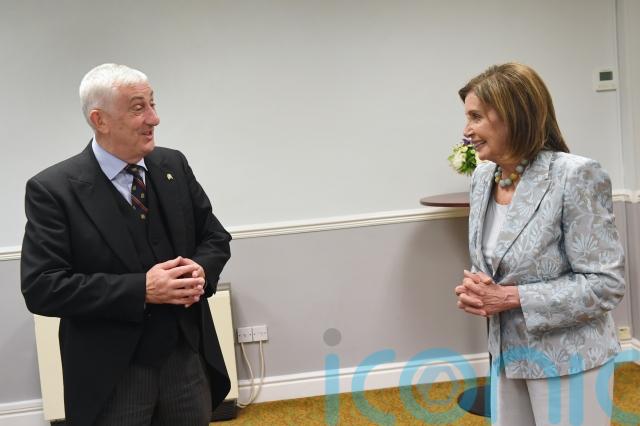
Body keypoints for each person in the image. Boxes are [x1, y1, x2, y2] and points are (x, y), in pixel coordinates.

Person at [21, 63, 232, 425]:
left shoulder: (172, 165)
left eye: (152, 103)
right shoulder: (54, 190)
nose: (154, 118)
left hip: (186, 360)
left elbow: (214, 237)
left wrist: (200, 270)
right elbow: (43, 288)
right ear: (99, 120)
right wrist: (142, 289)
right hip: (112, 373)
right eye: (138, 108)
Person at [454, 63, 625, 425]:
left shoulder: (575, 175)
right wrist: (480, 290)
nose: (466, 131)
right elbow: (500, 266)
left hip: (569, 360)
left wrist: (510, 297)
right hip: (506, 356)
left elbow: (605, 285)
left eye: (475, 117)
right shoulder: (483, 177)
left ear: (513, 115)